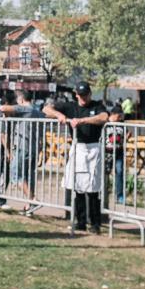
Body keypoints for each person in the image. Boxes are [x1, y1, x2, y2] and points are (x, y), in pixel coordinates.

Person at [44, 82, 109, 234]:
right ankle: (80, 221)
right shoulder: (70, 106)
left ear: (90, 94)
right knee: (77, 186)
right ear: (76, 95)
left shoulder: (97, 105)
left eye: (86, 95)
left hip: (93, 148)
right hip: (78, 147)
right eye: (81, 95)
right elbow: (46, 109)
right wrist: (59, 115)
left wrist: (83, 120)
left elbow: (104, 117)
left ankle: (95, 223)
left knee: (93, 188)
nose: (83, 98)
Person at [0, 90, 40, 213]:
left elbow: (2, 108)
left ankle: (33, 200)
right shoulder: (37, 111)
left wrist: (10, 110)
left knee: (15, 176)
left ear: (21, 100)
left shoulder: (25, 109)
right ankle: (29, 206)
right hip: (33, 148)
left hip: (22, 147)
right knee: (28, 177)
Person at [105, 105, 127, 204]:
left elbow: (125, 134)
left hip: (119, 151)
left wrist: (126, 137)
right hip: (107, 152)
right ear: (113, 115)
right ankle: (104, 193)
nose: (120, 118)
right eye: (118, 116)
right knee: (106, 173)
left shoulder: (121, 123)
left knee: (119, 171)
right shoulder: (106, 123)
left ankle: (119, 195)